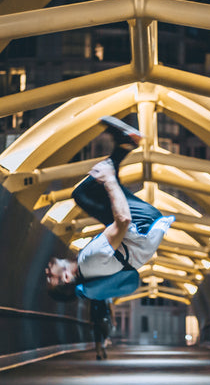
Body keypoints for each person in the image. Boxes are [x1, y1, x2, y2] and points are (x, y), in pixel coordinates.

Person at [45, 117, 174, 304]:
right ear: (66, 278)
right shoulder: (90, 261)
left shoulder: (87, 267)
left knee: (86, 194)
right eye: (50, 278)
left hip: (141, 232)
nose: (47, 272)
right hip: (142, 223)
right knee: (87, 192)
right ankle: (124, 146)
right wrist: (110, 179)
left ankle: (125, 144)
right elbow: (123, 220)